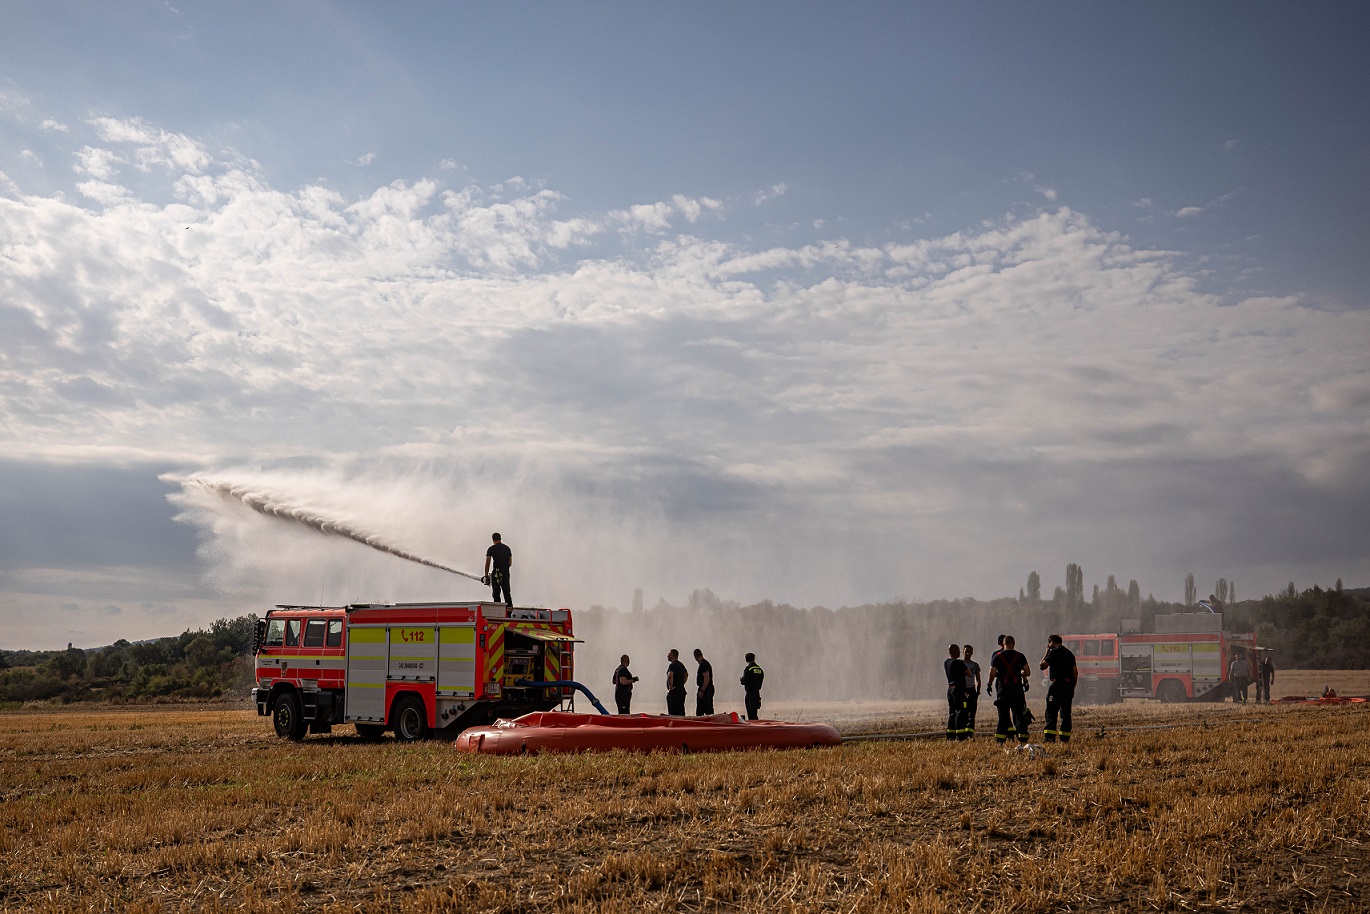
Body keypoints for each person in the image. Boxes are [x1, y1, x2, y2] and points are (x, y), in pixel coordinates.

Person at [987, 635, 1031, 745]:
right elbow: (1028, 672)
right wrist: (1023, 676)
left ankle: (1000, 740)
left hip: (1003, 690)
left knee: (1003, 715)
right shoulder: (1020, 656)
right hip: (1017, 689)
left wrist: (989, 684)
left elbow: (992, 673)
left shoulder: (997, 656)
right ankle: (1023, 739)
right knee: (1019, 714)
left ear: (1003, 644)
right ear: (1014, 643)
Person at [1040, 634, 1077, 743]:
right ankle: (1065, 738)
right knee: (1066, 713)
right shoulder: (1069, 654)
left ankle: (1049, 738)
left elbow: (1042, 666)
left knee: (1051, 711)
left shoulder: (1053, 652)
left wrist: (1046, 652)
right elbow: (1075, 673)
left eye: (1049, 643)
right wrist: (1072, 688)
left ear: (1052, 642)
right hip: (1068, 686)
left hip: (1057, 686)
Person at [944, 644, 969, 741]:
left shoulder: (946, 662)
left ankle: (950, 736)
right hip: (958, 690)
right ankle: (961, 736)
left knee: (952, 713)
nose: (960, 652)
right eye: (958, 650)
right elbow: (968, 673)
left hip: (950, 690)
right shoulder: (958, 663)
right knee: (961, 712)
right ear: (954, 651)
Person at [482, 533, 512, 607]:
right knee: (506, 592)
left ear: (493, 539)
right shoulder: (507, 548)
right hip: (505, 572)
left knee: (496, 593)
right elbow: (510, 563)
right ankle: (509, 611)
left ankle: (498, 610)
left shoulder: (491, 549)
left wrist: (486, 576)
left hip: (496, 572)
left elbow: (487, 564)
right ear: (500, 538)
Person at [963, 644, 982, 735]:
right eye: (966, 651)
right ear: (963, 652)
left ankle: (970, 733)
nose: (968, 653)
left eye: (969, 652)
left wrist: (978, 691)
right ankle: (962, 731)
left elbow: (978, 679)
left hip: (971, 690)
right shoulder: (960, 664)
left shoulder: (975, 665)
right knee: (963, 712)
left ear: (972, 653)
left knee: (972, 712)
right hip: (962, 690)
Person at [741, 652, 764, 720]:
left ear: (746, 660)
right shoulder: (760, 669)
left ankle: (754, 728)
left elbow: (744, 681)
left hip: (750, 694)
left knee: (751, 714)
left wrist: (741, 680)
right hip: (757, 694)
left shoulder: (748, 669)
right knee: (755, 713)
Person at [665, 649, 688, 716]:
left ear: (672, 655)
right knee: (681, 711)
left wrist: (670, 688)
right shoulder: (681, 664)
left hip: (674, 693)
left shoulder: (672, 665)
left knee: (673, 712)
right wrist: (681, 683)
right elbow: (686, 674)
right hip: (681, 691)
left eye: (669, 654)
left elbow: (670, 676)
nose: (667, 655)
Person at [693, 648, 715, 716]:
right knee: (705, 708)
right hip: (707, 688)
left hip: (706, 689)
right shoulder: (705, 663)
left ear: (695, 657)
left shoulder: (703, 664)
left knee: (704, 709)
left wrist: (702, 690)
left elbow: (706, 678)